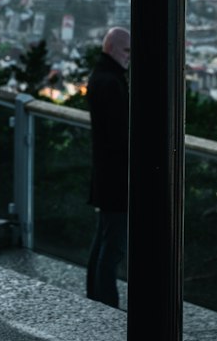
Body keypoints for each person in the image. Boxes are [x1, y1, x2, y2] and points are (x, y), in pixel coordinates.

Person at [85, 25, 129, 308]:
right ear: (111, 49)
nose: (130, 57)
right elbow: (121, 133)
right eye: (126, 50)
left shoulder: (100, 77)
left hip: (105, 173)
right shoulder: (111, 83)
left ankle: (95, 296)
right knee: (112, 245)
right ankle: (106, 303)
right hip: (117, 176)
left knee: (104, 237)